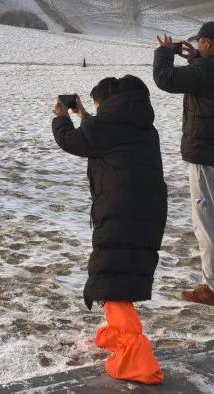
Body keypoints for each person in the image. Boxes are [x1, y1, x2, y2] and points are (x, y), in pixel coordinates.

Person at [52, 76, 167, 384]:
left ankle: (137, 357)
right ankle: (118, 334)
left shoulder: (106, 126)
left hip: (120, 211)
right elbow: (101, 134)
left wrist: (61, 118)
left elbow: (73, 141)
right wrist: (84, 115)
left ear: (105, 102)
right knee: (121, 272)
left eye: (97, 104)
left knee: (111, 275)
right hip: (147, 209)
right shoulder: (142, 125)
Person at [152, 21, 214, 306]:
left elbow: (166, 79)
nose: (197, 46)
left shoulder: (210, 69)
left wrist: (164, 53)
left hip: (209, 157)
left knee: (208, 225)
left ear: (208, 42)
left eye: (200, 43)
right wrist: (198, 59)